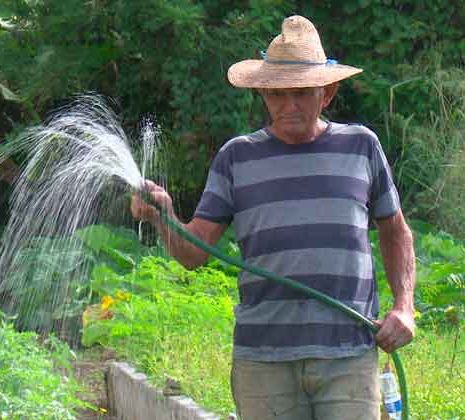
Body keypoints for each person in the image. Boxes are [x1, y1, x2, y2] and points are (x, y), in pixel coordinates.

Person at [131, 15, 416, 420]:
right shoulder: (237, 157)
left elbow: (395, 230)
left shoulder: (361, 147)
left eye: (301, 92)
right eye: (277, 94)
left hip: (348, 356)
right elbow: (193, 253)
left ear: (328, 92)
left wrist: (404, 307)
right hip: (263, 362)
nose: (288, 105)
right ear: (262, 93)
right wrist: (164, 215)